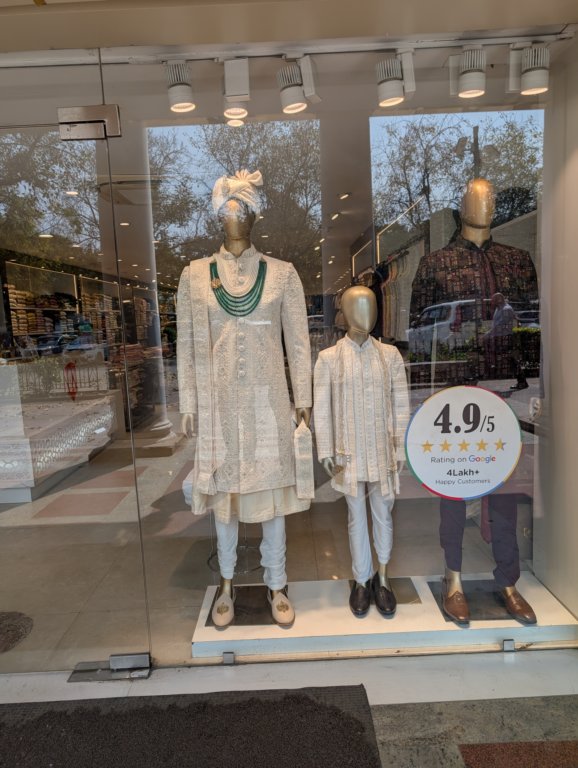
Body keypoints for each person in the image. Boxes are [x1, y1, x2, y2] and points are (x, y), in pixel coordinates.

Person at [177, 169, 312, 628]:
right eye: (229, 208)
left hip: (269, 405)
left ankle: (277, 582)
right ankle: (227, 583)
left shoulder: (282, 275)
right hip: (219, 407)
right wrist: (189, 402)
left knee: (272, 501)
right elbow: (188, 344)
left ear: (256, 215)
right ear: (218, 216)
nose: (236, 216)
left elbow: (298, 343)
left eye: (244, 208)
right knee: (225, 501)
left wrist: (303, 398)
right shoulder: (196, 276)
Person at [314, 285, 409, 617]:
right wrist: (325, 451)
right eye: (358, 306)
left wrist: (399, 447)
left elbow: (400, 405)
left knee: (383, 512)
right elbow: (322, 410)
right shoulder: (328, 359)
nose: (366, 314)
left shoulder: (390, 356)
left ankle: (383, 577)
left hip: (382, 451)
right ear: (345, 312)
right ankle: (360, 580)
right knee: (355, 516)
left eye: (370, 305)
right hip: (346, 452)